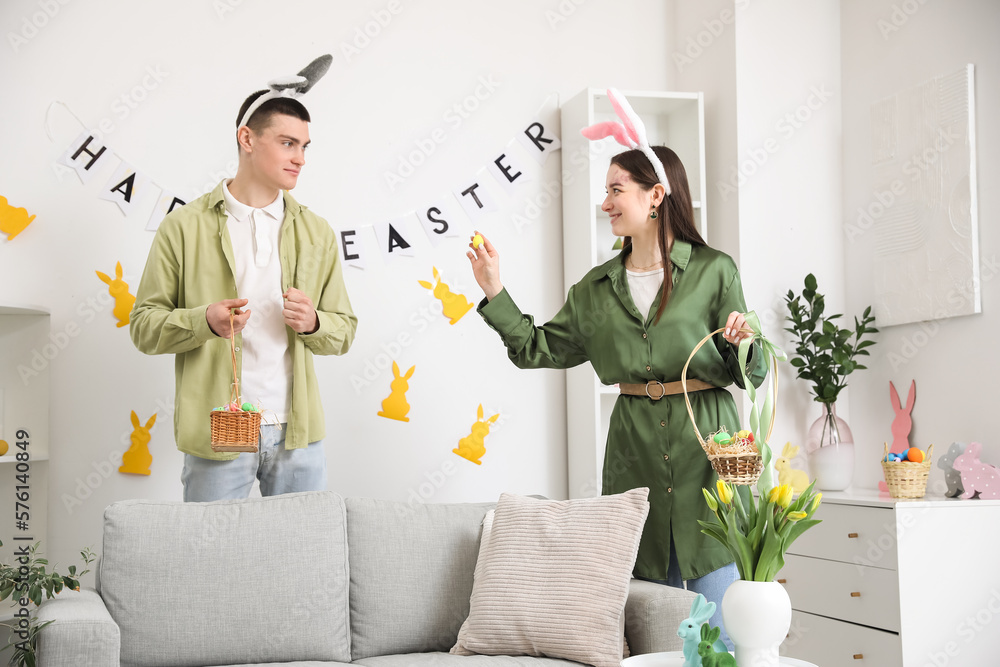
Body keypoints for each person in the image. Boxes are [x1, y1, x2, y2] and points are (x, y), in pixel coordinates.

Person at [467, 143, 765, 646]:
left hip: (713, 442)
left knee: (725, 608)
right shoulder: (594, 290)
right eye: (605, 191)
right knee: (654, 615)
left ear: (655, 195)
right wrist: (496, 292)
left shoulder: (717, 270)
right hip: (634, 448)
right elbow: (537, 349)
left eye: (615, 190)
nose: (605, 202)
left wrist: (744, 342)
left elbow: (747, 373)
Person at [130, 62, 357, 502]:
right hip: (222, 431)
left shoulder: (316, 232)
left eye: (305, 146)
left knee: (300, 563)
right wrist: (203, 322)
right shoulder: (183, 227)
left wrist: (313, 324)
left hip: (298, 434)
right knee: (214, 566)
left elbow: (343, 331)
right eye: (288, 143)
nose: (300, 158)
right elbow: (143, 326)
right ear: (247, 138)